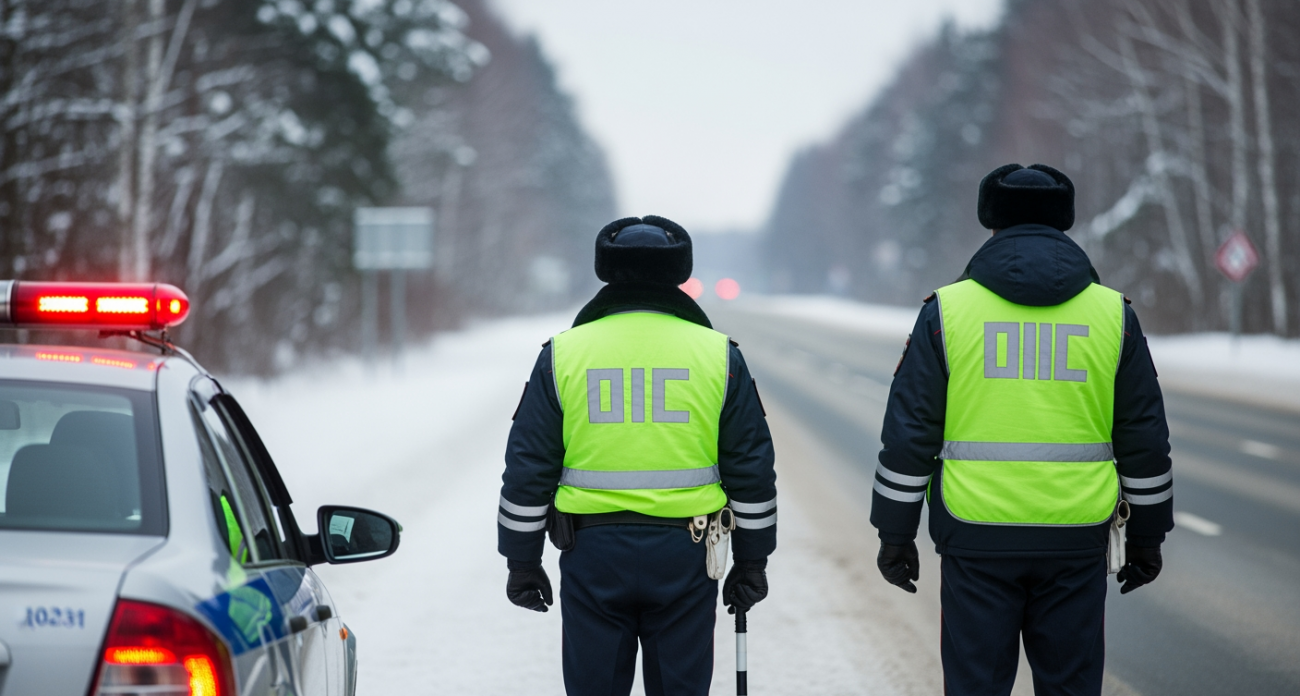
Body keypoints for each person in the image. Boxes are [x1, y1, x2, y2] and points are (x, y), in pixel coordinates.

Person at [871, 164, 1173, 695]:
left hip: (975, 531)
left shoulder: (948, 310)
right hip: (1076, 536)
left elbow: (909, 434)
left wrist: (895, 533)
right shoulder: (1111, 314)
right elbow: (1143, 436)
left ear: (992, 223)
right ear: (1065, 222)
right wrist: (1148, 534)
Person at [497, 215, 777, 696]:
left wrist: (521, 560)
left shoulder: (563, 353)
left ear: (606, 270)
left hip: (591, 556)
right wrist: (753, 561)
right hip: (686, 554)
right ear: (679, 273)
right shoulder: (718, 354)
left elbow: (528, 465)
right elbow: (750, 468)